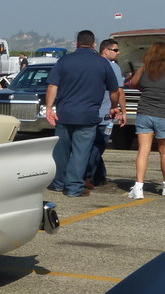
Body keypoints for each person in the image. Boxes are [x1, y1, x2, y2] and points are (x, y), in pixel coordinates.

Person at [44, 30, 120, 197]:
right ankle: (73, 188)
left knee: (61, 151)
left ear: (76, 43)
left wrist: (49, 108)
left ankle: (58, 183)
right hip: (88, 115)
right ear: (94, 44)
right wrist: (114, 106)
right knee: (81, 152)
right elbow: (114, 90)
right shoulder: (102, 63)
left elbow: (52, 86)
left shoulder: (64, 61)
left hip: (64, 114)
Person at [126, 41, 165, 198]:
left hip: (144, 113)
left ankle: (138, 187)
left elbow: (132, 83)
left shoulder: (145, 69)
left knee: (143, 150)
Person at [85, 39, 126, 188]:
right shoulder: (113, 67)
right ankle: (88, 176)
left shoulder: (91, 64)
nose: (118, 53)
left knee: (92, 145)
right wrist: (123, 111)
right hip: (106, 113)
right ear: (105, 50)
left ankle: (100, 175)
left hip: (90, 111)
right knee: (98, 146)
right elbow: (119, 91)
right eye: (115, 50)